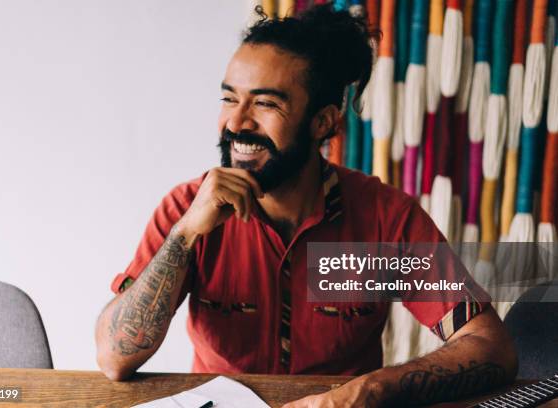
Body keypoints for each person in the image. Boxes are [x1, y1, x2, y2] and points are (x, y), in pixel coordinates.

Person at [95, 5, 517, 407]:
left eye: (265, 103)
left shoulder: (386, 219)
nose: (237, 122)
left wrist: (370, 390)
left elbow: (490, 347)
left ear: (324, 122)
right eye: (229, 99)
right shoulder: (185, 209)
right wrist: (184, 236)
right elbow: (115, 360)